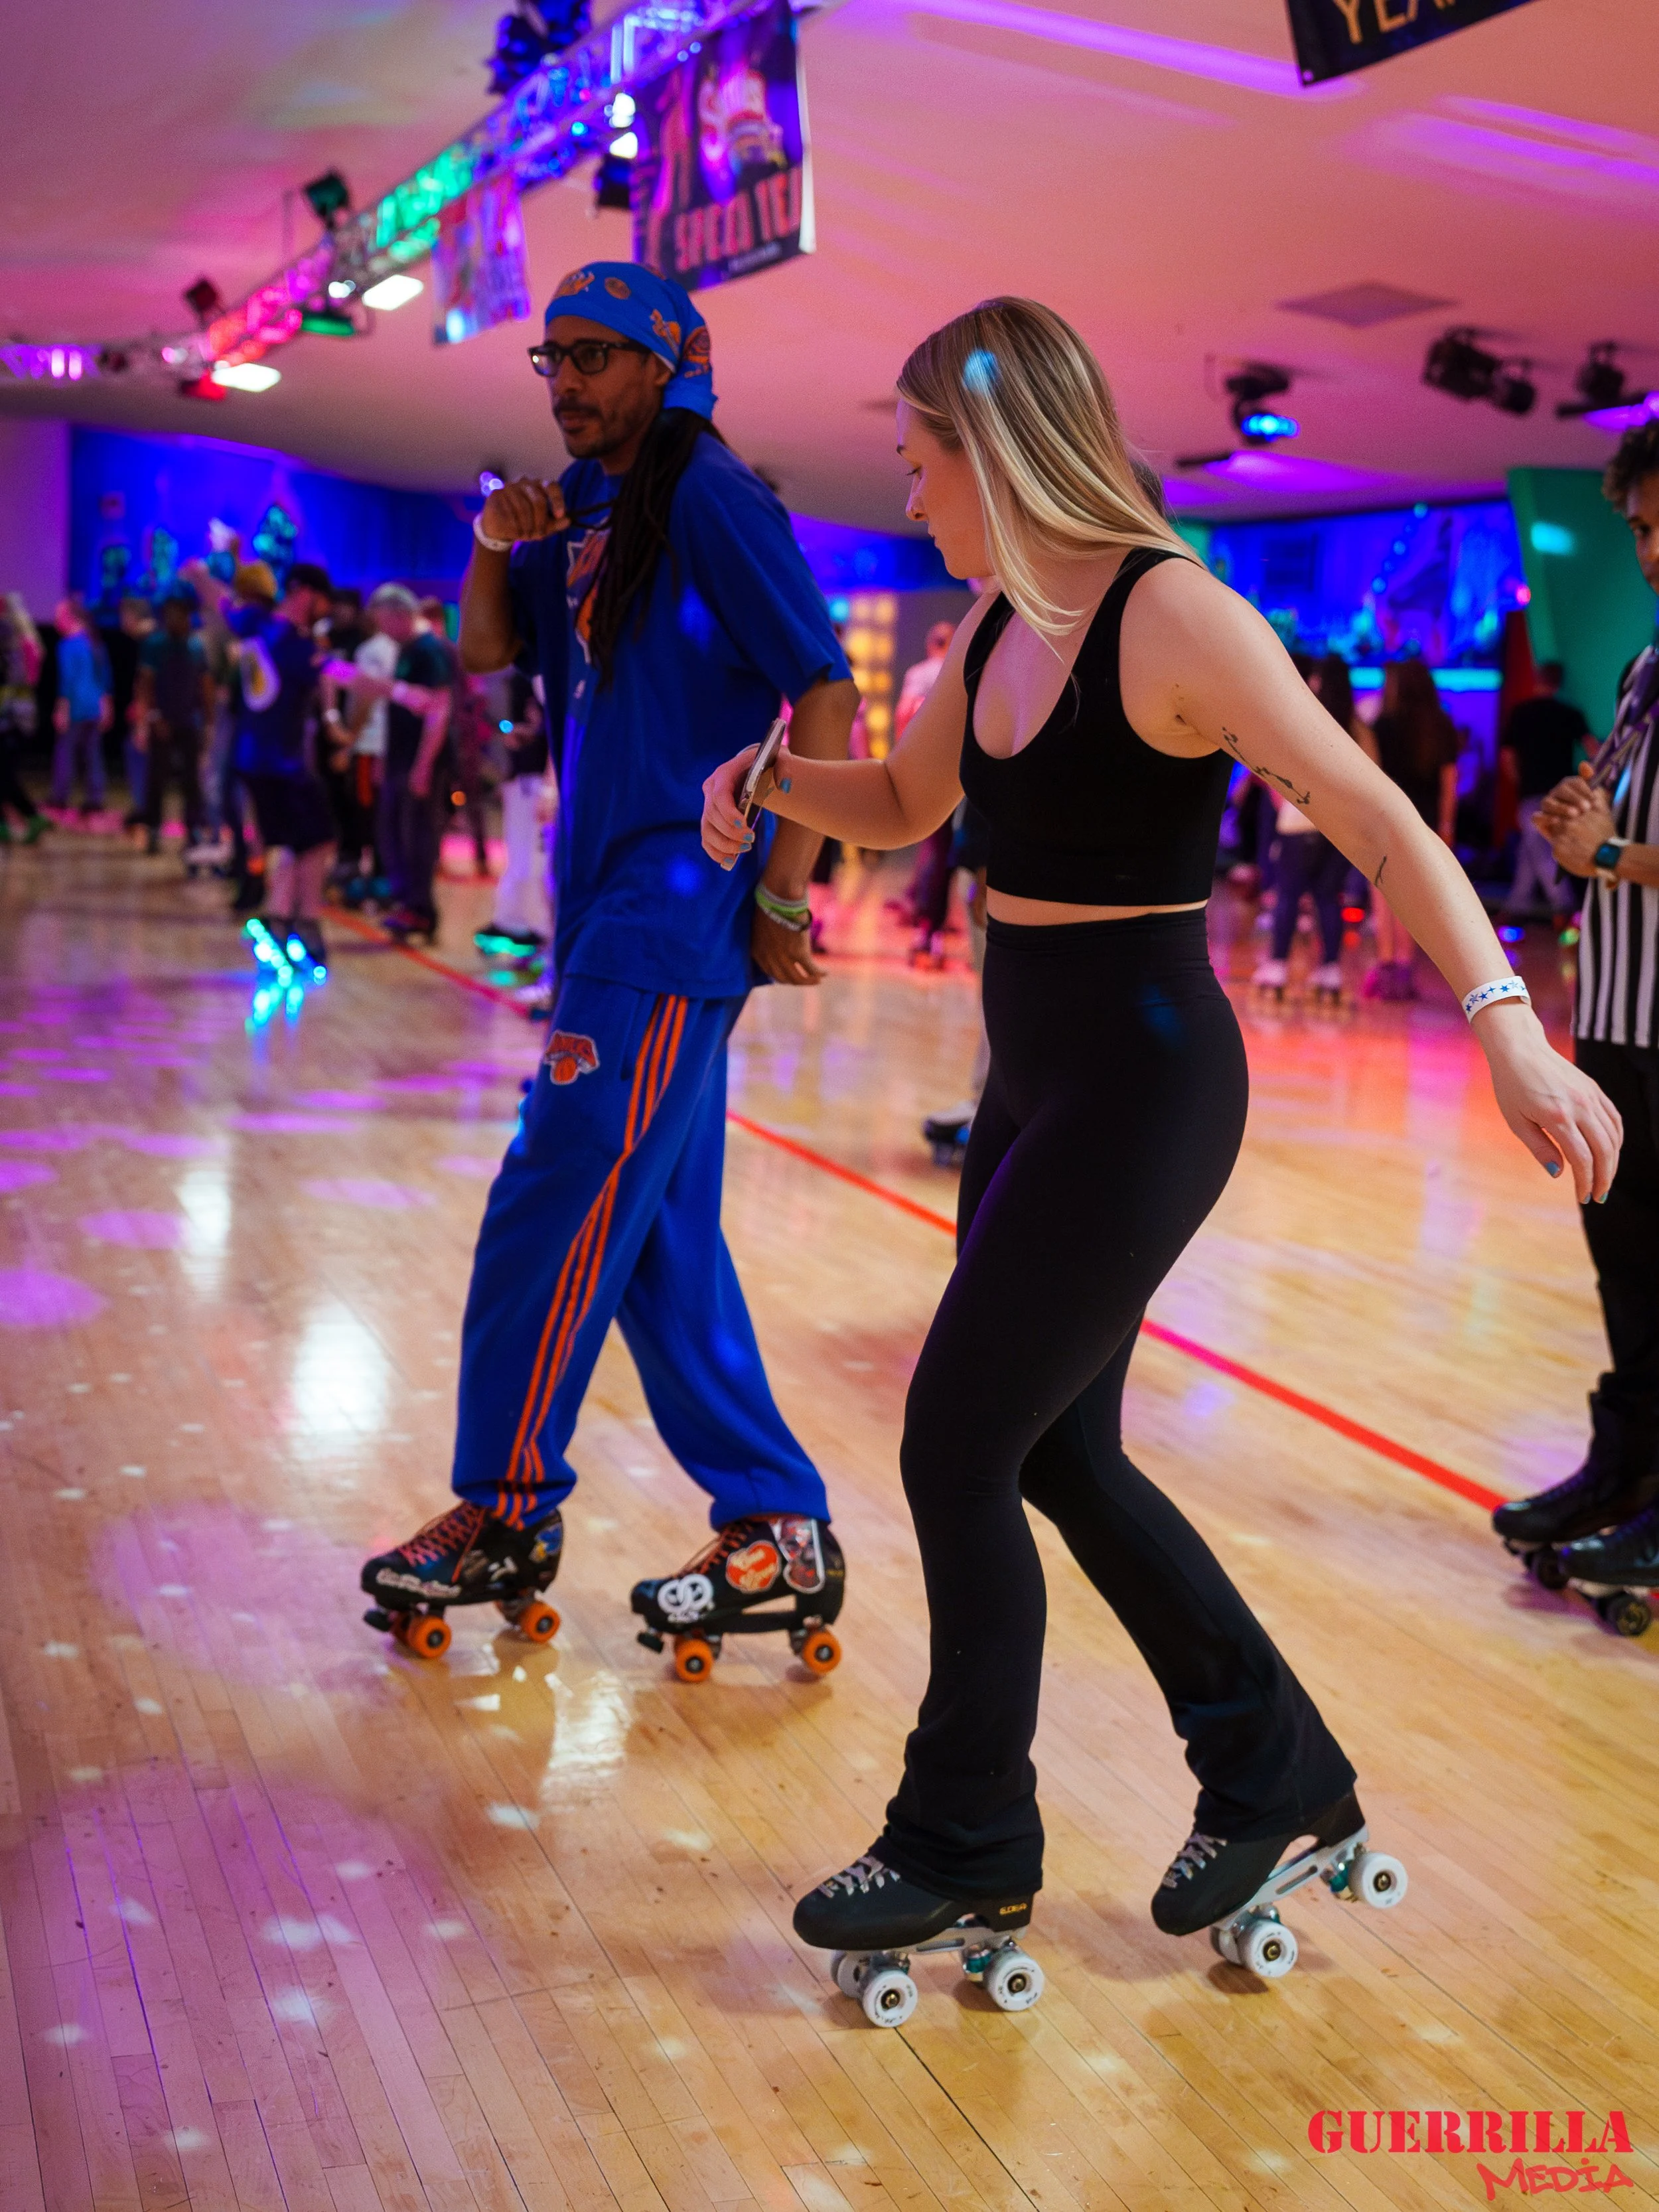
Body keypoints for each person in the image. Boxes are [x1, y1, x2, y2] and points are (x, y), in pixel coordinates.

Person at [700, 295, 1620, 1967]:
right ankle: (1275, 1771)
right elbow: (906, 808)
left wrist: (1509, 1030)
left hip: (1142, 1084)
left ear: (997, 453)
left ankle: (963, 1832)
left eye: (921, 465)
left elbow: (1373, 812)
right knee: (1054, 1449)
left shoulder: (1168, 613)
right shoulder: (991, 634)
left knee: (956, 1443)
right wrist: (766, 784)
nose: (910, 498)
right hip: (1032, 1080)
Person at [360, 263, 860, 1664]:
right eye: (553, 359)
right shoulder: (586, 503)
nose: (569, 382)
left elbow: (822, 685)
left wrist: (782, 892)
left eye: (596, 358)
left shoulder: (705, 491)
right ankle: (776, 1520)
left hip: (667, 910)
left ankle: (505, 1506)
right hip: (603, 917)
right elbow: (479, 651)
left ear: (663, 364)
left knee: (552, 1193)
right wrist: (484, 543)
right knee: (652, 1240)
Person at [1492, 417, 1659, 1586]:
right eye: (1638, 528)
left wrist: (1610, 858)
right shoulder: (1648, 664)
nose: (1644, 550)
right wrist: (1582, 816)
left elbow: (1630, 848)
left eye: (1655, 526)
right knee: (1629, 1262)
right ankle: (1630, 1467)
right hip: (1616, 1010)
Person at [184, 556, 336, 962]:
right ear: (306, 594)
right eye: (322, 601)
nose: (326, 611)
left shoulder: (258, 624)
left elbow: (223, 603)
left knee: (293, 841)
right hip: (281, 763)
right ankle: (293, 922)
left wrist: (200, 575)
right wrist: (401, 693)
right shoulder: (294, 644)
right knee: (315, 838)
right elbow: (337, 673)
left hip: (252, 757)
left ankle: (285, 921)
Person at [1251, 654, 1367, 1000]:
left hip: (1297, 823)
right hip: (1339, 827)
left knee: (1288, 895)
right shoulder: (1357, 729)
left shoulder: (1303, 721)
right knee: (1328, 898)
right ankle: (1330, 971)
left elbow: (1270, 769)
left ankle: (1277, 966)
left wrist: (1281, 803)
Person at [346, 584, 453, 940]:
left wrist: (423, 765)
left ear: (399, 615)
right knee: (392, 832)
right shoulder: (407, 650)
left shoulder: (429, 651)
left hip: (420, 761)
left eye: (384, 622)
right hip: (400, 757)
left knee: (416, 834)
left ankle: (421, 910)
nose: (383, 631)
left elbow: (440, 709)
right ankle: (408, 904)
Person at [1362, 659, 1460, 1001]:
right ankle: (1405, 972)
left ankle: (1386, 967)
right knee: (1412, 899)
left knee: (1383, 893)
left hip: (1387, 820)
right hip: (1426, 824)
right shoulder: (1441, 724)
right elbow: (1450, 781)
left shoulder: (1383, 725)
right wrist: (1447, 826)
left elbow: (1372, 777)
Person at [1500, 660, 1589, 928]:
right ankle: (1516, 907)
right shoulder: (1570, 714)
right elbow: (1593, 749)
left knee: (1539, 851)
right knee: (1533, 850)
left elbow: (1507, 757)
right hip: (1562, 796)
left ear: (1537, 678)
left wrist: (1519, 781)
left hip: (1531, 793)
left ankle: (1564, 907)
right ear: (1559, 682)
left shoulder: (1521, 712)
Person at [478, 670, 553, 951]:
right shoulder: (520, 675)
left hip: (540, 782)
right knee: (520, 856)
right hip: (522, 778)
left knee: (537, 859)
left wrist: (548, 787)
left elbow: (559, 730)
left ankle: (540, 929)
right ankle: (513, 920)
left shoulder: (550, 672)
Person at [135, 591, 214, 855]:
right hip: (163, 722)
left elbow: (205, 686)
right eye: (169, 612)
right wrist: (152, 718)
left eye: (179, 612)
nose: (174, 618)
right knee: (156, 779)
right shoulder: (155, 645)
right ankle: (153, 829)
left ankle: (193, 829)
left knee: (191, 781)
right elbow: (145, 684)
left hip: (189, 722)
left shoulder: (196, 647)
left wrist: (209, 722)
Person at [48, 596, 111, 816]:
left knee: (65, 751)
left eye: (59, 616)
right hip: (94, 706)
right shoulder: (94, 642)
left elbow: (67, 681)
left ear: (70, 618)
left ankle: (60, 796)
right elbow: (104, 678)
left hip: (76, 705)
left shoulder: (67, 646)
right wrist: (106, 705)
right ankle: (95, 798)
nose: (56, 622)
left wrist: (62, 710)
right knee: (93, 754)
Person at [0, 594, 48, 844]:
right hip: (20, 713)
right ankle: (6, 824)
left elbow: (12, 681)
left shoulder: (10, 638)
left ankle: (31, 817)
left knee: (4, 774)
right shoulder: (26, 641)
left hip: (12, 716)